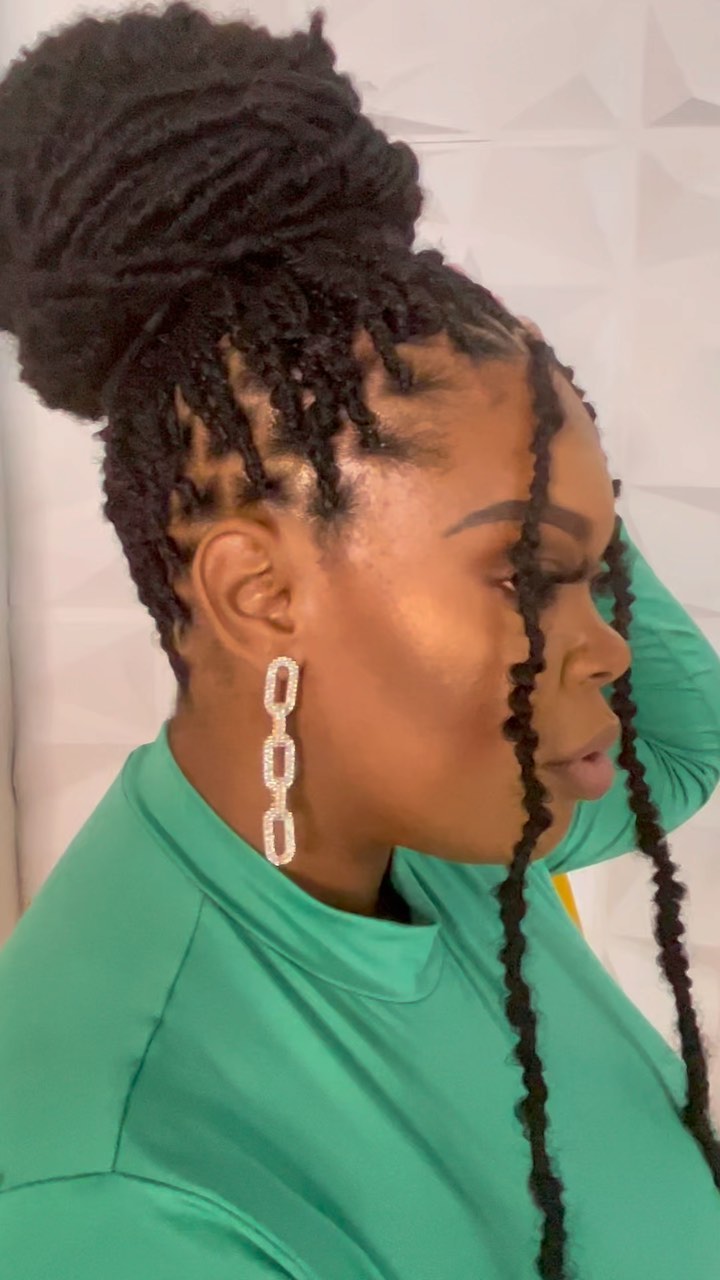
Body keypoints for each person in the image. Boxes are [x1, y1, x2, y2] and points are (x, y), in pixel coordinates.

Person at [0, 6, 719, 1278]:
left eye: (593, 571)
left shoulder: (427, 819)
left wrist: (509, 414)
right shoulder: (118, 1199)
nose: (609, 647)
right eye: (530, 571)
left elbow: (681, 744)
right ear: (257, 591)